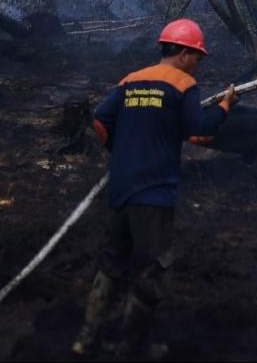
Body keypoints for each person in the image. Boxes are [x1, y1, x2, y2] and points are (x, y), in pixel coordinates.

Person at [72, 18, 239, 359]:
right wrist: (224, 107)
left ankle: (85, 340)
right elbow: (200, 134)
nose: (198, 64)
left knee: (112, 262)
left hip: (121, 187)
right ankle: (132, 349)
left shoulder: (130, 81)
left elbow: (101, 122)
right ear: (182, 54)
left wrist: (121, 153)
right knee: (152, 268)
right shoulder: (183, 85)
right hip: (154, 194)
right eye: (197, 56)